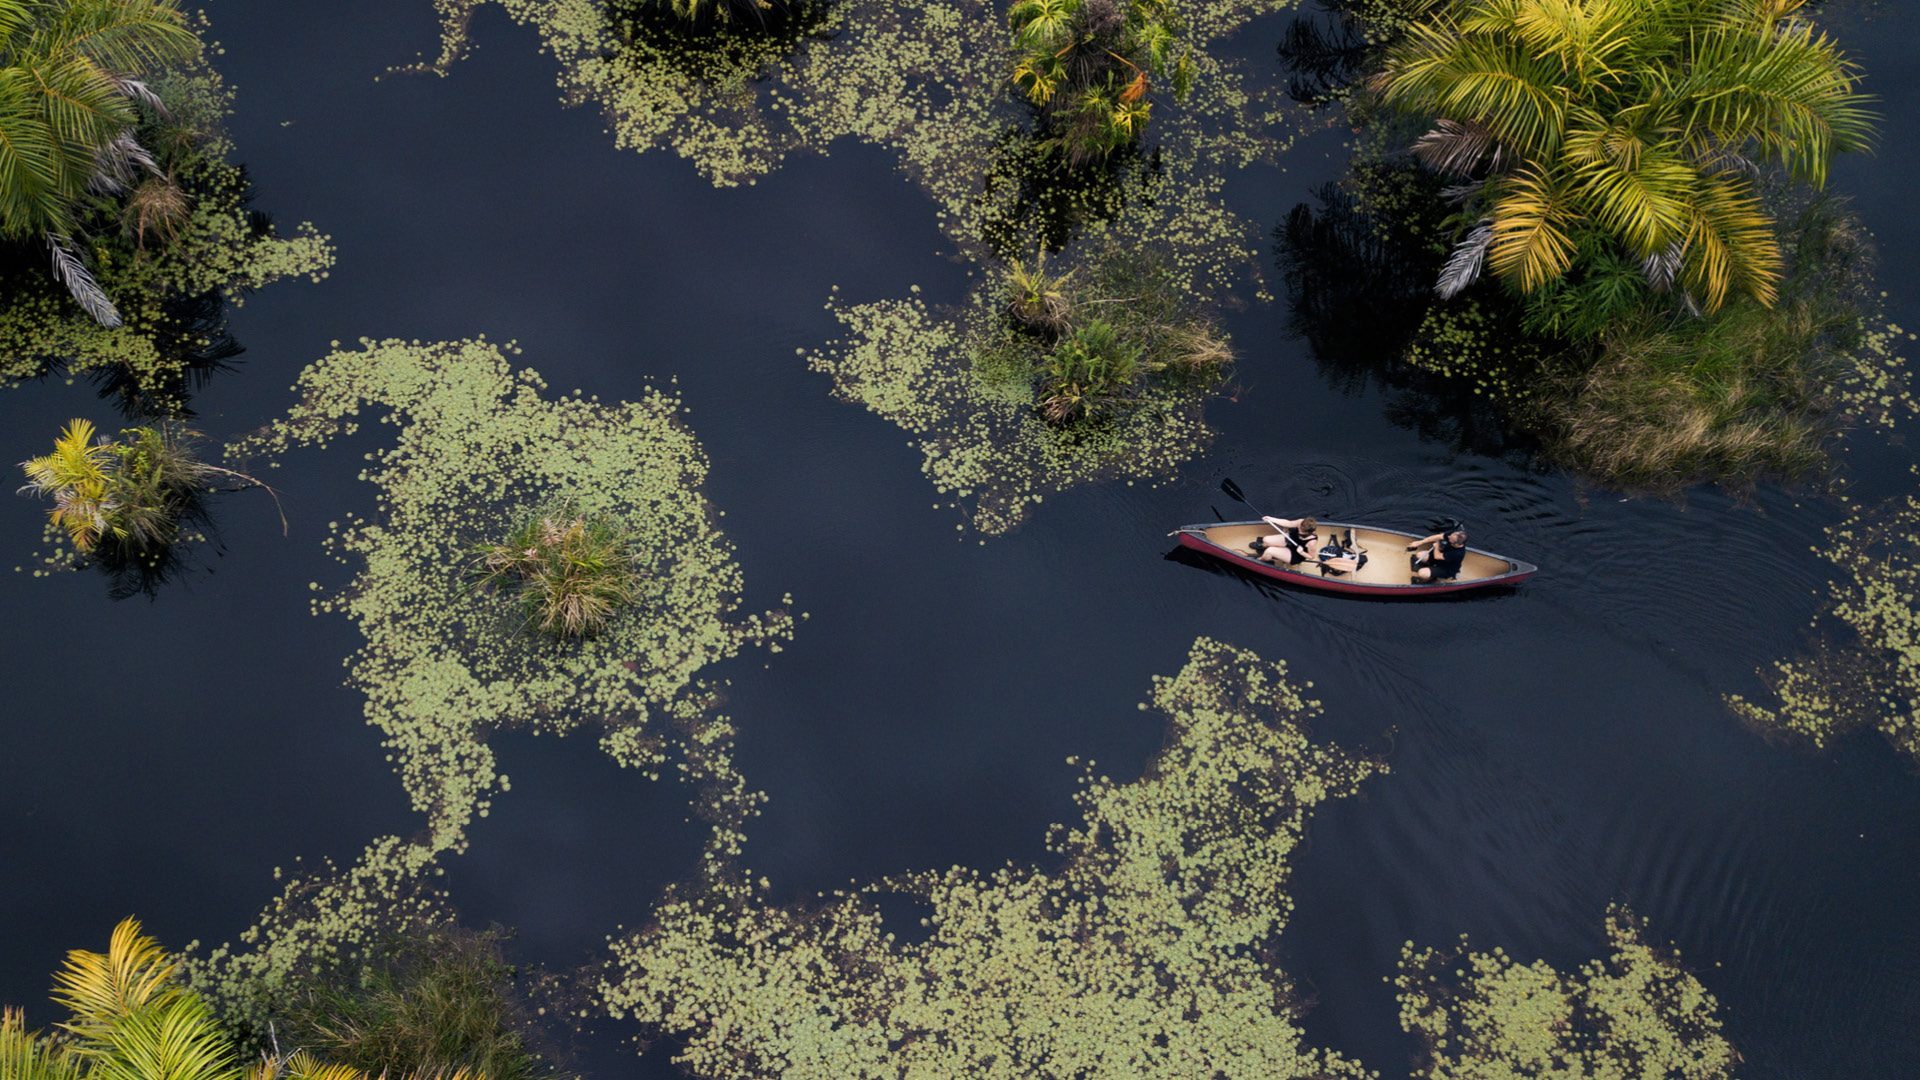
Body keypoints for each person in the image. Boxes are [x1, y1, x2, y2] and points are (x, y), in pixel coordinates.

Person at [1249, 515, 1321, 565]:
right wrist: (1271, 519)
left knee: (1269, 551)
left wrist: (1301, 552)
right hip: (1290, 540)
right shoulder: (1301, 522)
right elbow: (1288, 523)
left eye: (1302, 532)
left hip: (1296, 553)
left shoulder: (1312, 542)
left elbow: (1311, 557)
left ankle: (1261, 560)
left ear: (1309, 532)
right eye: (1299, 528)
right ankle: (1263, 546)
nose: (1299, 531)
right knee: (1266, 539)